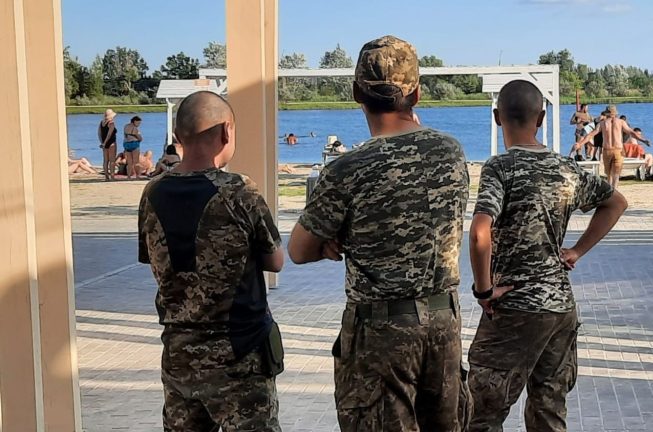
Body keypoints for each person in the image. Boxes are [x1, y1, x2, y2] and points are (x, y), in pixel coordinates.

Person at [287, 35, 471, 431]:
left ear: (356, 93)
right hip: (443, 322)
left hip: (380, 333)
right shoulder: (452, 151)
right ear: (417, 93)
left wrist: (334, 243)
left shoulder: (347, 168)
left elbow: (299, 250)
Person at [467, 80, 627, 432]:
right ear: (541, 118)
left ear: (497, 117)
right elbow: (616, 202)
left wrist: (483, 290)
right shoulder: (566, 168)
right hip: (560, 306)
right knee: (549, 411)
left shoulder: (500, 168)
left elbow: (479, 232)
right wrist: (576, 251)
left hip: (514, 308)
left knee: (481, 414)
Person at [138, 91, 284, 431]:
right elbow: (275, 260)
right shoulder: (238, 191)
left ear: (178, 138)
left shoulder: (153, 193)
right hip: (238, 353)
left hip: (179, 352)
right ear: (226, 132)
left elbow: (152, 258)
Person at [577, 105, 650, 188]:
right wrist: (643, 140)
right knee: (616, 175)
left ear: (607, 113)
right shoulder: (621, 122)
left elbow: (590, 135)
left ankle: (611, 192)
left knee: (609, 175)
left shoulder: (602, 123)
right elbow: (631, 132)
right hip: (618, 150)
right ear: (615, 113)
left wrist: (580, 143)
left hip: (607, 150)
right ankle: (614, 191)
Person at [98, 109, 118, 180]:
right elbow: (109, 134)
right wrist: (105, 143)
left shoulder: (102, 122)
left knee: (105, 160)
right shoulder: (111, 123)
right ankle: (112, 176)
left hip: (104, 143)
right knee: (112, 160)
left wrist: (102, 143)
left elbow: (99, 133)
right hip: (111, 142)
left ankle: (106, 176)